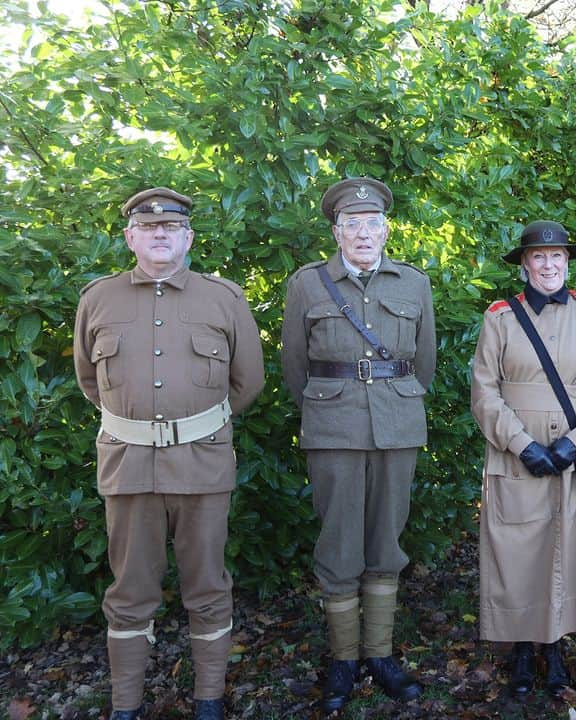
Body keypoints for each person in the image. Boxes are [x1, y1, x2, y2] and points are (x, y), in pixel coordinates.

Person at [74, 187, 266, 720]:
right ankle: (125, 705)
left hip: (203, 465)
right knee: (130, 588)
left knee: (207, 585)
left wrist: (195, 424)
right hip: (128, 466)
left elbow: (247, 381)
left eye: (171, 228)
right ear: (130, 236)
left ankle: (208, 698)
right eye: (149, 228)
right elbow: (90, 380)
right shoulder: (98, 299)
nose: (160, 235)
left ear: (189, 237)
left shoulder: (222, 298)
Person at [281, 177, 435, 712]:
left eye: (373, 224)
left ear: (386, 228)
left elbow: (426, 360)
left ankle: (381, 653)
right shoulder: (307, 285)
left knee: (387, 539)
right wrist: (326, 405)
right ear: (337, 231)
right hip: (333, 428)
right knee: (339, 539)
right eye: (353, 224)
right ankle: (345, 659)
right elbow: (294, 365)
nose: (364, 233)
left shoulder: (413, 284)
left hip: (397, 424)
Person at [470, 220, 576, 697]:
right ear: (525, 264)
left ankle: (554, 650)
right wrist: (522, 444)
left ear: (567, 262)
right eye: (540, 256)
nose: (550, 264)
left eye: (558, 257)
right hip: (516, 458)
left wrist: (573, 443)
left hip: (570, 455)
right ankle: (519, 653)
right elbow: (484, 392)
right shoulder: (500, 318)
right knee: (516, 556)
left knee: (566, 551)